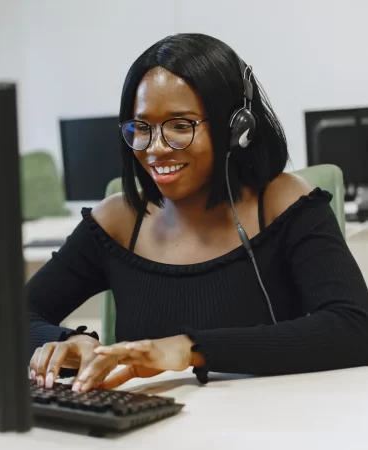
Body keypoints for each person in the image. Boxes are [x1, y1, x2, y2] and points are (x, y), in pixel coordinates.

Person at [27, 33, 368, 393]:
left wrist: (189, 349)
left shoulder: (283, 204)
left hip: (272, 427)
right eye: (142, 127)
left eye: (180, 125)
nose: (156, 148)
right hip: (147, 434)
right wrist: (70, 342)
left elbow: (354, 327)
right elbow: (9, 318)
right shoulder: (118, 220)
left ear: (237, 129)